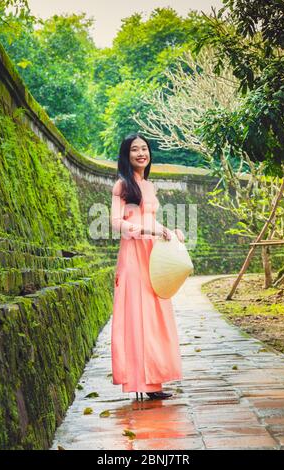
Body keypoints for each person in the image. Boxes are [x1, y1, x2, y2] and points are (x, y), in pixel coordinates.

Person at [110, 133, 183, 400]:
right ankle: (138, 380)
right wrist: (141, 229)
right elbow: (116, 222)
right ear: (126, 155)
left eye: (144, 148)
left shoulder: (150, 186)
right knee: (137, 314)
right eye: (134, 149)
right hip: (133, 255)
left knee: (155, 314)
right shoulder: (122, 185)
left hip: (152, 254)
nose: (141, 153)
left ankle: (154, 381)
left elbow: (153, 220)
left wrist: (170, 231)